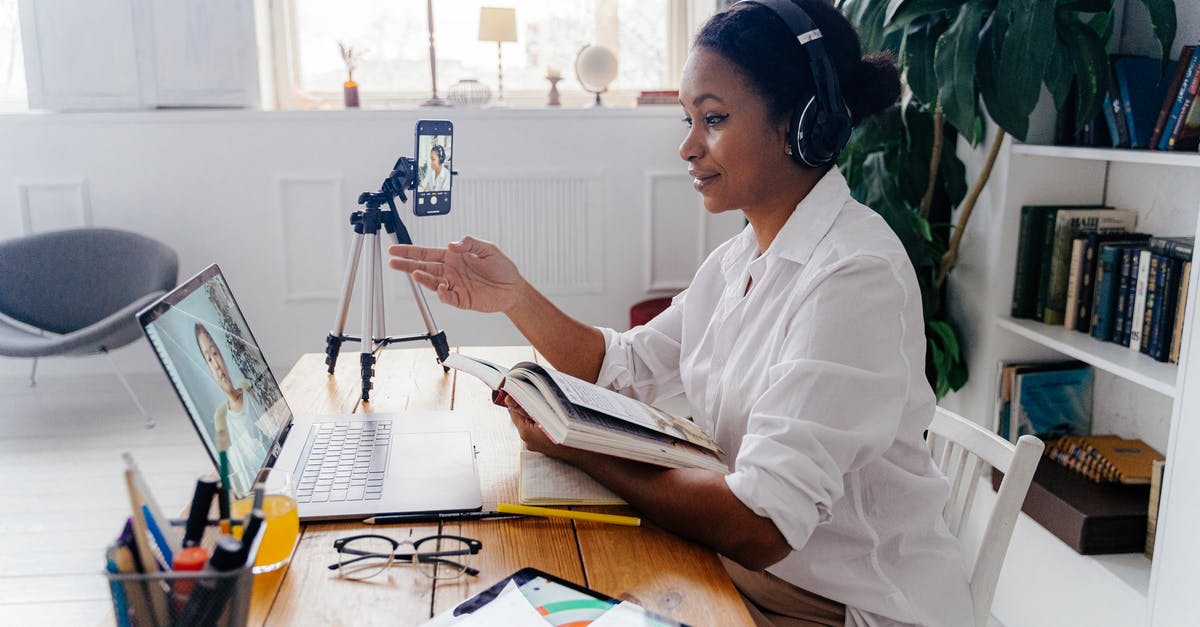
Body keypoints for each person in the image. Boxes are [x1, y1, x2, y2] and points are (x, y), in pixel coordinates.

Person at [387, 2, 973, 625]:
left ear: (804, 124)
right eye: (689, 119)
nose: (688, 146)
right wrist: (515, 296)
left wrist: (578, 447)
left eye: (713, 119)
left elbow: (761, 524)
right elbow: (621, 367)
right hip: (739, 571)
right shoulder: (739, 259)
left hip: (843, 606)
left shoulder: (854, 276)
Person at [194, 323, 272, 492]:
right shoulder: (222, 419)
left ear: (222, 355)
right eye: (208, 359)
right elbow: (237, 481)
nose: (215, 363)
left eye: (215, 353)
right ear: (208, 368)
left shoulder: (247, 388)